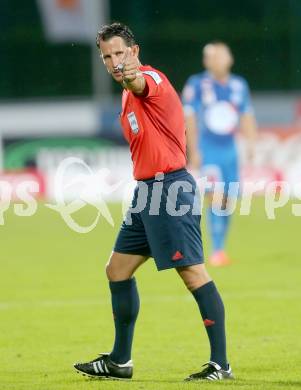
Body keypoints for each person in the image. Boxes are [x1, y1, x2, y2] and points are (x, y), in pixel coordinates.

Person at [74, 23, 233, 382]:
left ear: (135, 52)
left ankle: (221, 364)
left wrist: (131, 74)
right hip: (146, 193)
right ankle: (120, 361)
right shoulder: (125, 94)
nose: (114, 62)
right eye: (107, 56)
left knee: (193, 273)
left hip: (169, 190)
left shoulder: (148, 80)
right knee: (116, 270)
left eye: (120, 53)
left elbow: (140, 83)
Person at [182, 42, 257, 267]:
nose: (216, 60)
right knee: (214, 195)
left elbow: (246, 114)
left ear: (230, 59)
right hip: (208, 149)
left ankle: (221, 246)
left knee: (228, 198)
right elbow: (190, 118)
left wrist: (252, 143)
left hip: (230, 150)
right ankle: (217, 250)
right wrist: (193, 150)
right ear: (206, 61)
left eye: (221, 56)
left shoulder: (238, 85)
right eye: (212, 57)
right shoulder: (196, 84)